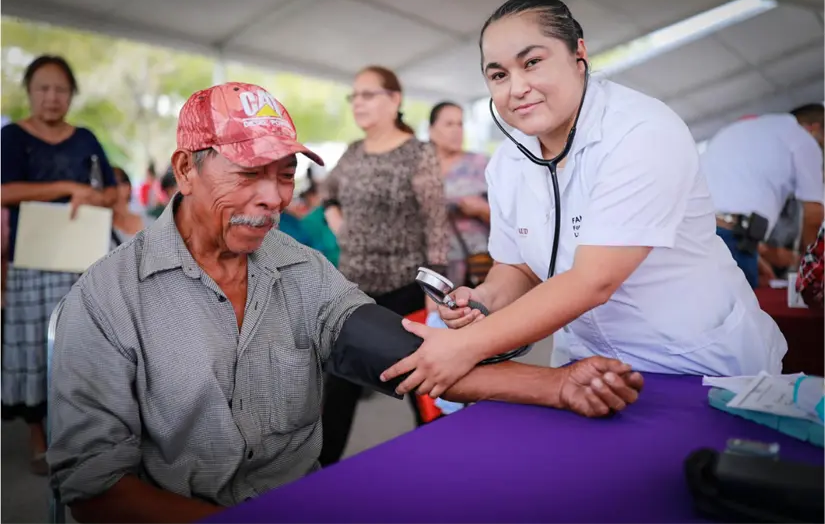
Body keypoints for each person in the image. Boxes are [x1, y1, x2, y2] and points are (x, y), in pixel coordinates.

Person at [47, 82, 644, 524]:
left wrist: (558, 385)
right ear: (185, 169)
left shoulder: (300, 269)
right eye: (249, 174)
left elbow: (405, 353)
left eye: (285, 174)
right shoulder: (107, 299)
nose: (273, 197)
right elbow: (95, 487)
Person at [379, 0, 788, 400]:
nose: (517, 87)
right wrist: (483, 298)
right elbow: (519, 267)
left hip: (696, 365)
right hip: (589, 372)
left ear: (579, 54)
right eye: (498, 75)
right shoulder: (507, 162)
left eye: (532, 62)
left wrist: (466, 346)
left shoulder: (642, 131)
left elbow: (594, 280)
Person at [318, 66, 449, 465]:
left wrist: (434, 294)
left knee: (422, 387)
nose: (358, 103)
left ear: (394, 99)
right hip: (352, 292)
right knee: (337, 390)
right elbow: (327, 192)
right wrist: (338, 223)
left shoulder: (418, 153)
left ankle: (443, 466)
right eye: (354, 96)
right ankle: (319, 475)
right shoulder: (352, 152)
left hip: (404, 290)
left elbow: (436, 225)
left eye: (368, 94)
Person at [0, 55, 117, 475]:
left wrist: (93, 196)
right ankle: (39, 436)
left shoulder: (85, 138)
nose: (52, 97)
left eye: (60, 89)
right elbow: (4, 190)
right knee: (35, 346)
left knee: (84, 344)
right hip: (32, 258)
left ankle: (81, 432)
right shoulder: (12, 137)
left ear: (71, 95)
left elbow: (111, 191)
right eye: (43, 88)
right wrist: (66, 187)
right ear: (30, 92)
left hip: (83, 258)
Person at [700, 106, 824, 287]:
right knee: (735, 303)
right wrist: (814, 272)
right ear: (814, 128)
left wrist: (753, 251)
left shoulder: (740, 129)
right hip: (730, 238)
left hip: (691, 229)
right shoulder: (803, 138)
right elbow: (813, 217)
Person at [428, 101, 491, 287]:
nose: (457, 131)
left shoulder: (482, 164)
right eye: (449, 124)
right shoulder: (420, 168)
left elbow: (513, 219)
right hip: (430, 266)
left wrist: (482, 209)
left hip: (475, 263)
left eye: (460, 124)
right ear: (431, 130)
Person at [111, 167, 149, 246]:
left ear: (128, 187)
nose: (112, 189)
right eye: (108, 184)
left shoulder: (149, 223)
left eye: (116, 183)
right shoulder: (102, 228)